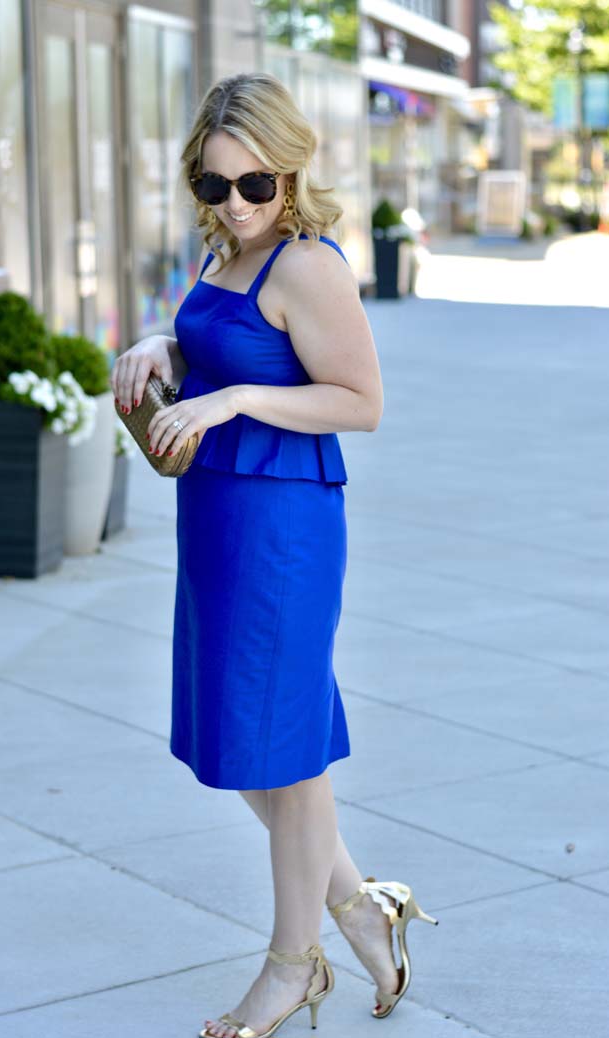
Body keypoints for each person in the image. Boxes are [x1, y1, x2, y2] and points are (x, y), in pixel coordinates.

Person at [111, 72, 437, 1038]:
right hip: (217, 519)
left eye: (258, 185)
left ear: (291, 174)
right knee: (250, 745)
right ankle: (361, 908)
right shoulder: (221, 252)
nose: (239, 205)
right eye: (216, 186)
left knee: (285, 754)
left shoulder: (307, 264)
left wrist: (234, 400)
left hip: (283, 532)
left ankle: (293, 968)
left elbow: (360, 402)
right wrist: (164, 346)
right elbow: (230, 346)